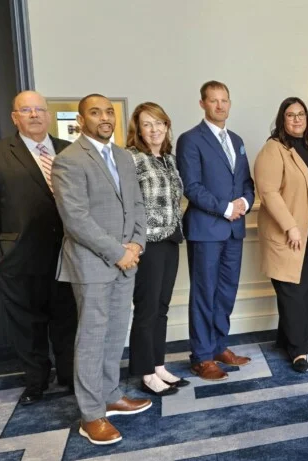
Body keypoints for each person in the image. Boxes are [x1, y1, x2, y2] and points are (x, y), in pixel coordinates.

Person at [52, 94, 150, 445]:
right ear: (81, 119)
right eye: (95, 112)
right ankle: (91, 415)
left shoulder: (123, 156)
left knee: (115, 332)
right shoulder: (69, 160)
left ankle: (111, 395)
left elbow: (138, 204)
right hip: (93, 263)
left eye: (109, 112)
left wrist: (136, 245)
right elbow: (75, 219)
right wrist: (116, 252)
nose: (104, 118)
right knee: (92, 338)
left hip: (128, 261)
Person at [0, 90, 77, 405]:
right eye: (26, 110)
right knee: (27, 324)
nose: (34, 115)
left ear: (47, 115)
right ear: (14, 116)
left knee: (67, 319)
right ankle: (36, 382)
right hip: (18, 256)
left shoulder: (69, 151)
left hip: (67, 253)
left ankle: (70, 376)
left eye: (39, 109)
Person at [176, 81, 255, 382]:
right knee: (204, 294)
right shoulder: (190, 140)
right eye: (213, 101)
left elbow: (247, 182)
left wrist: (245, 203)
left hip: (234, 229)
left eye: (224, 100)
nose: (220, 106)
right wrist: (225, 208)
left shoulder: (236, 140)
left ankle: (220, 345)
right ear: (202, 104)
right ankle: (202, 356)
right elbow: (191, 186)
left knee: (225, 292)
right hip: (206, 229)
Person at [255, 97, 308, 373]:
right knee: (292, 291)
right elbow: (269, 192)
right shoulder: (273, 149)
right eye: (290, 115)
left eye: (301, 114)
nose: (297, 119)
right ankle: (298, 351)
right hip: (289, 233)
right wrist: (290, 226)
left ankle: (291, 339)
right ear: (282, 119)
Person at [126, 102, 189, 395]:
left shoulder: (169, 159)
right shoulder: (131, 159)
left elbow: (177, 198)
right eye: (148, 124)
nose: (155, 129)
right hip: (147, 243)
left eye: (159, 123)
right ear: (138, 129)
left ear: (167, 126)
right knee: (147, 309)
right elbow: (126, 204)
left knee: (162, 308)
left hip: (171, 240)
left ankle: (159, 365)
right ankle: (145, 371)